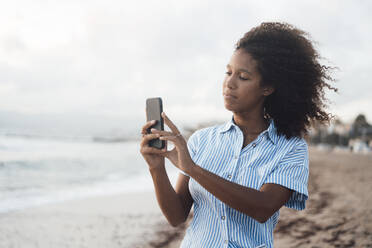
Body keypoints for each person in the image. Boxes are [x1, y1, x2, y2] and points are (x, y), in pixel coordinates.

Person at [140, 22, 337, 248]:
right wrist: (156, 168)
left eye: (243, 77)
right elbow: (176, 217)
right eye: (228, 72)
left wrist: (193, 168)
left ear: (268, 87)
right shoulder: (201, 140)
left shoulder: (290, 147)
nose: (229, 84)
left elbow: (262, 207)